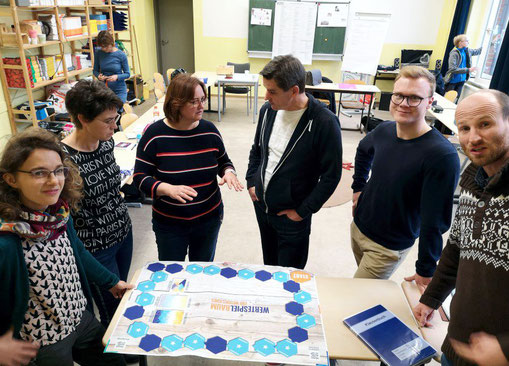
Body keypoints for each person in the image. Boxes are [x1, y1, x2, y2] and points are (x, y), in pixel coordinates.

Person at [0, 127, 131, 366]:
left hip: (79, 317)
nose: (54, 181)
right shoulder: (7, 239)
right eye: (39, 173)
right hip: (41, 340)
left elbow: (77, 251)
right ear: (11, 179)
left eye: (58, 171)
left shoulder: (58, 215)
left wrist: (111, 281)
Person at [413, 90, 509, 366]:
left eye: (485, 124)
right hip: (457, 347)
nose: (473, 138)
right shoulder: (470, 181)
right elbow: (456, 249)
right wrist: (432, 297)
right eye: (464, 128)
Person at [351, 66, 460, 288]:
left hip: (387, 247)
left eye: (414, 98)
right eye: (399, 95)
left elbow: (434, 221)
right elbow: (363, 150)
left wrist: (426, 269)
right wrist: (358, 189)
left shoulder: (441, 156)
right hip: (359, 228)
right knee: (365, 292)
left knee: (355, 294)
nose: (403, 103)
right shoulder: (386, 130)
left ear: (430, 102)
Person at [246, 55, 342, 270]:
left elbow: (331, 176)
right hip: (262, 208)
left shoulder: (324, 122)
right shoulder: (268, 111)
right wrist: (252, 182)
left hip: (292, 217)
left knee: (290, 276)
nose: (265, 97)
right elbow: (257, 151)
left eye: (272, 91)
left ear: (294, 91)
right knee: (269, 268)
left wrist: (302, 211)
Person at [133, 73, 243, 261]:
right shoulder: (155, 135)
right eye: (193, 102)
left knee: (201, 273)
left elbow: (223, 160)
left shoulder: (209, 130)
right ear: (176, 104)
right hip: (170, 223)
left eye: (202, 99)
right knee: (172, 274)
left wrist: (229, 172)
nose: (202, 106)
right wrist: (166, 189)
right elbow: (140, 177)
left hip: (209, 218)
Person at [61, 80, 133, 330]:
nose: (115, 126)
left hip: (123, 232)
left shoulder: (106, 141)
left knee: (124, 295)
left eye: (116, 118)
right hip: (95, 246)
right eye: (108, 121)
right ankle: (114, 352)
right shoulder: (63, 160)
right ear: (82, 118)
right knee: (111, 307)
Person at [93, 31, 130, 103]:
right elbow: (95, 71)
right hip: (104, 89)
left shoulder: (121, 55)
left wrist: (117, 77)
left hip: (119, 90)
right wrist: (98, 76)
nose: (104, 49)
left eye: (106, 46)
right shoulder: (99, 53)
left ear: (111, 43)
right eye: (102, 47)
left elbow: (127, 74)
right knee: (104, 111)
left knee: (116, 109)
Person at [444, 34, 482, 98]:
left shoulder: (467, 51)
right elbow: (452, 69)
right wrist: (468, 70)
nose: (468, 42)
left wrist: (491, 43)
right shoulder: (454, 53)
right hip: (452, 81)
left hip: (461, 81)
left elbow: (478, 51)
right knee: (448, 99)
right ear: (460, 42)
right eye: (466, 41)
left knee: (456, 99)